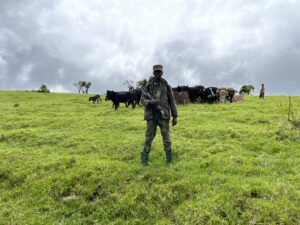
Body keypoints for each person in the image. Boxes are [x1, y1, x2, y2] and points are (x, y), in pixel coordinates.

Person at [140, 65, 178, 166]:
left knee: (167, 139)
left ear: (162, 73)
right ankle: (144, 161)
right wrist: (152, 102)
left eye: (159, 72)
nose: (157, 73)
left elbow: (172, 101)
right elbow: (142, 100)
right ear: (153, 73)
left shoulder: (166, 86)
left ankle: (169, 161)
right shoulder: (147, 86)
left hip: (164, 115)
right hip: (151, 116)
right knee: (148, 138)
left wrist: (175, 116)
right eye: (156, 72)